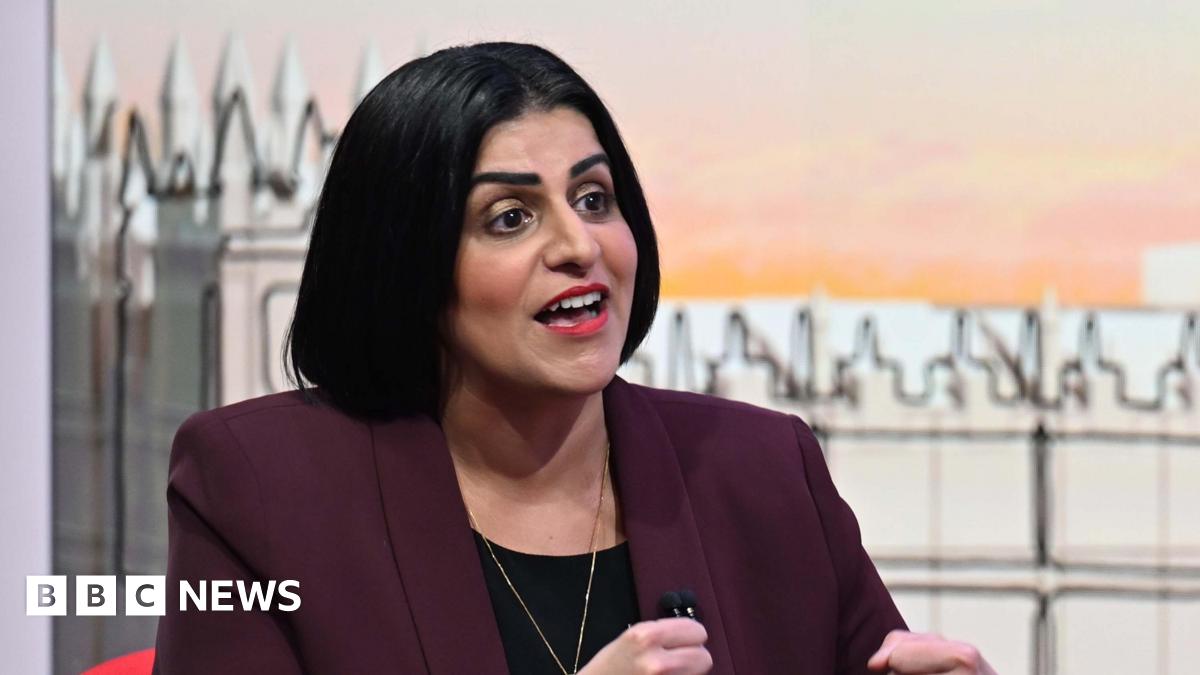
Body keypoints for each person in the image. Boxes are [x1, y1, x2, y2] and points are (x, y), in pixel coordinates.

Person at [153, 42, 996, 675]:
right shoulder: (258, 487)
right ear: (404, 262)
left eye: (594, 198)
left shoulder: (764, 468)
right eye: (510, 218)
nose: (578, 243)